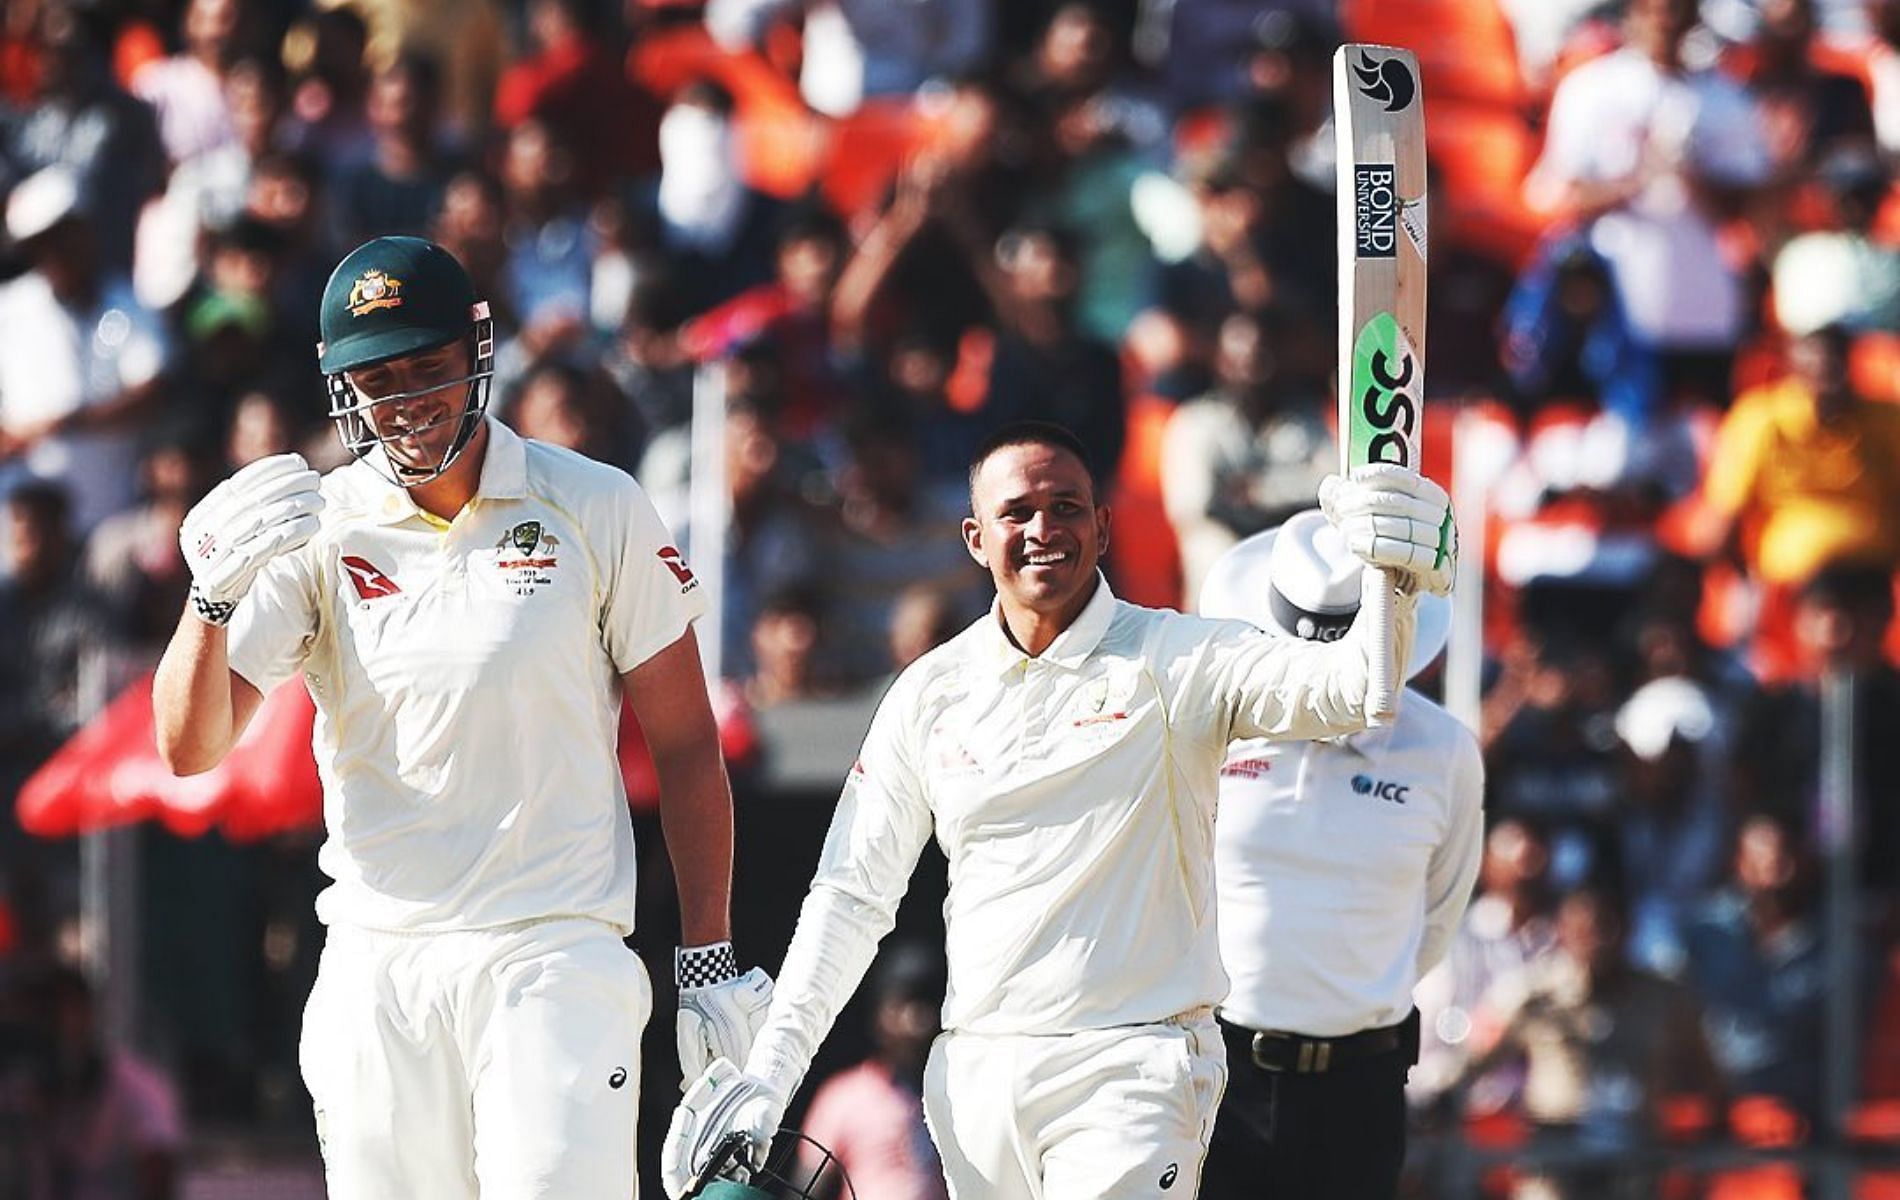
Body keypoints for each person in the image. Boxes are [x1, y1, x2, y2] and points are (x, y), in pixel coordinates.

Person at [662, 420, 1459, 1199]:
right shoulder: (931, 692)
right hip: (979, 1079)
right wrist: (769, 1073)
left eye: (1067, 507)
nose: (1045, 529)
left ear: (1104, 527)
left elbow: (1358, 692)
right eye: (1018, 512)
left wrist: (1394, 576)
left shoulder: (1181, 660)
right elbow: (850, 897)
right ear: (975, 538)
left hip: (1134, 1068)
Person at [150, 235, 772, 1198]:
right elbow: (190, 748)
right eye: (377, 378)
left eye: (428, 367)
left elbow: (688, 747)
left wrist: (708, 955)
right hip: (378, 961)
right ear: (340, 386)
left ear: (478, 349)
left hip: (553, 949)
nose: (406, 401)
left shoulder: (594, 504)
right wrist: (208, 602)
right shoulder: (318, 527)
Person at [1192, 510, 1482, 1200]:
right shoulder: (1215, 731)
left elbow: (1437, 915)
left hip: (1359, 1090)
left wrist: (1351, 995)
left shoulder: (1441, 751)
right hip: (1216, 1074)